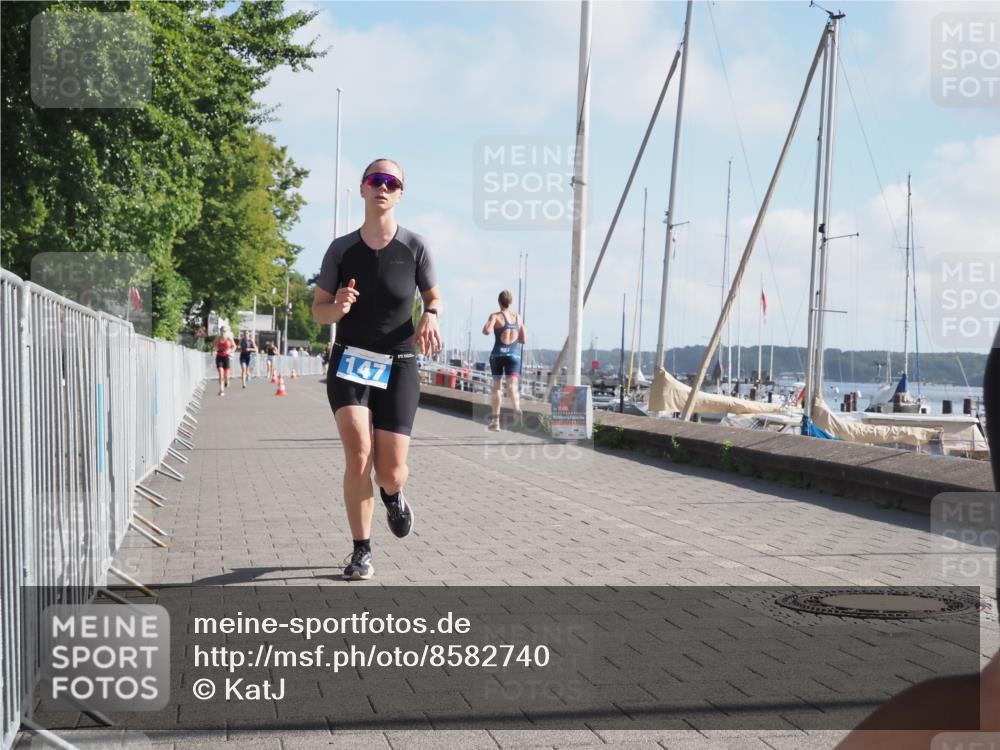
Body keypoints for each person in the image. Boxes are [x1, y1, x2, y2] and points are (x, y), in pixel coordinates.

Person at [312, 158, 442, 581]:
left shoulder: (415, 247)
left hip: (400, 363)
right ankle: (361, 550)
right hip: (351, 361)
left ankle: (393, 494)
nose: (383, 187)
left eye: (391, 182)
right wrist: (338, 307)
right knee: (359, 457)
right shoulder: (341, 250)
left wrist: (431, 315)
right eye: (375, 180)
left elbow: (434, 297)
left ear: (400, 193)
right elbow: (318, 311)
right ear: (363, 189)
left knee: (389, 470)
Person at [482, 290, 526, 431]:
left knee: (497, 387)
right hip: (514, 355)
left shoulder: (496, 316)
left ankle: (495, 422)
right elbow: (523, 339)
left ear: (499, 302)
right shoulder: (518, 317)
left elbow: (486, 331)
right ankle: (517, 408)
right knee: (512, 386)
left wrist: (491, 322)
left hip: (498, 355)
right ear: (510, 302)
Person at [213, 325, 236, 396]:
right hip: (219, 357)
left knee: (226, 376)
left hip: (226, 357)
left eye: (224, 331)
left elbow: (234, 346)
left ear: (226, 332)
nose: (223, 332)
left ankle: (226, 380)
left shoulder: (228, 338)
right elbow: (214, 345)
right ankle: (221, 390)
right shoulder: (218, 338)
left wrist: (231, 351)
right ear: (220, 331)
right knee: (221, 373)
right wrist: (215, 349)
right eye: (222, 331)